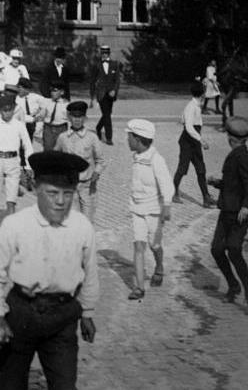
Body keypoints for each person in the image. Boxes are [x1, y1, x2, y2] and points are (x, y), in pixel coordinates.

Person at [0, 151, 99, 390]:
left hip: (63, 316)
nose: (61, 201)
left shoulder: (82, 226)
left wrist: (87, 311)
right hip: (21, 314)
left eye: (68, 193)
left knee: (65, 384)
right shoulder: (15, 225)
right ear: (36, 188)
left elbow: (90, 273)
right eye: (52, 193)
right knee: (11, 383)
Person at [207, 117, 248, 315]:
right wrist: (217, 183)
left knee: (234, 249)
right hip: (227, 211)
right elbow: (233, 183)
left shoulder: (242, 157)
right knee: (216, 249)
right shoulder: (236, 154)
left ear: (230, 138)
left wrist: (246, 207)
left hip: (239, 214)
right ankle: (233, 285)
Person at [124, 119, 174, 300]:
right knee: (138, 246)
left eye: (129, 137)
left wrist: (167, 205)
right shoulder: (137, 156)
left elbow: (167, 184)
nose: (127, 140)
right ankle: (139, 287)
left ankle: (159, 266)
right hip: (137, 209)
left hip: (154, 211)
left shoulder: (156, 159)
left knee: (155, 246)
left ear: (137, 139)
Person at [0, 94, 34, 234]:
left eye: (10, 110)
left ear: (14, 109)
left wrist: (28, 165)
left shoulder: (19, 125)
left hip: (13, 161)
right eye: (4, 110)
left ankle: (10, 228)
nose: (7, 113)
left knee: (12, 194)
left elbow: (27, 145)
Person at [53, 101, 106, 222]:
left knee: (87, 219)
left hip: (87, 184)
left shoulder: (91, 137)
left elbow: (100, 160)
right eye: (74, 117)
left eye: (80, 117)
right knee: (71, 219)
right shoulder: (63, 137)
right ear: (69, 118)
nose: (77, 120)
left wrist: (96, 173)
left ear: (85, 118)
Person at [173, 81, 214, 207]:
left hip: (193, 141)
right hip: (187, 142)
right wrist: (201, 140)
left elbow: (183, 119)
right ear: (201, 93)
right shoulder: (191, 106)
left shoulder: (194, 105)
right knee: (183, 168)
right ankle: (173, 192)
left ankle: (206, 197)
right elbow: (189, 128)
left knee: (201, 169)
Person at [89, 45, 121, 145]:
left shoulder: (115, 64)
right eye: (102, 53)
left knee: (108, 113)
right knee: (107, 115)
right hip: (101, 94)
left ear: (109, 53)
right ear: (101, 53)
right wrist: (92, 97)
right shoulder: (96, 65)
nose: (104, 55)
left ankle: (98, 128)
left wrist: (114, 90)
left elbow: (117, 80)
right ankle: (109, 138)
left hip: (111, 94)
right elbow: (92, 81)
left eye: (106, 53)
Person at [41, 81, 70, 151]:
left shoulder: (66, 105)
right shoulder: (47, 102)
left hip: (61, 128)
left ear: (62, 92)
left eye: (55, 91)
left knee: (60, 150)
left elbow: (70, 120)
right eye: (51, 91)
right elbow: (42, 116)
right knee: (48, 149)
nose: (52, 93)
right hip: (48, 128)